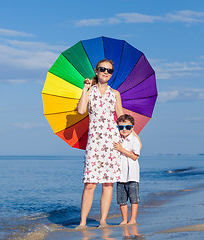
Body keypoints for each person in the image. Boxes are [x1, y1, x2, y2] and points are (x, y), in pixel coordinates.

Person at [76, 59, 124, 229]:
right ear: (96, 71)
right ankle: (82, 222)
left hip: (111, 141)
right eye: (102, 69)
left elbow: (120, 118)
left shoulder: (115, 93)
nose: (106, 72)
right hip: (95, 142)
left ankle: (103, 221)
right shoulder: (90, 91)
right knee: (90, 183)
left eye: (109, 70)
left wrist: (130, 136)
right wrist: (85, 90)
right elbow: (81, 110)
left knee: (108, 183)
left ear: (112, 74)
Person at [113, 114, 141, 225]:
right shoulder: (117, 140)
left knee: (134, 198)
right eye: (121, 127)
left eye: (127, 127)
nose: (124, 130)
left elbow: (135, 156)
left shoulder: (135, 140)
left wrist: (121, 149)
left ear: (132, 128)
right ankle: (124, 219)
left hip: (132, 175)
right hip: (120, 175)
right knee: (121, 199)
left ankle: (133, 219)